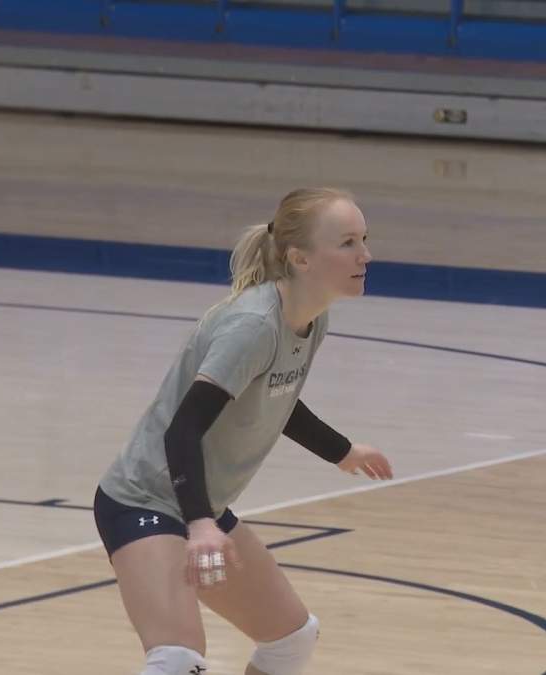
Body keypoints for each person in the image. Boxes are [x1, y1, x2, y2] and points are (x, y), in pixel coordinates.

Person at [94, 187, 394, 675]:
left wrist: (341, 451)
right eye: (347, 243)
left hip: (197, 504)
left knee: (292, 638)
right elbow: (182, 429)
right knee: (178, 660)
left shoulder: (310, 319)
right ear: (300, 258)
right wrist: (200, 524)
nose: (366, 254)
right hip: (144, 501)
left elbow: (274, 396)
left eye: (364, 238)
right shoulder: (252, 325)